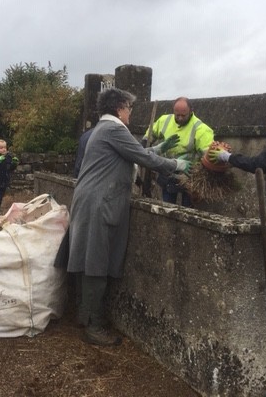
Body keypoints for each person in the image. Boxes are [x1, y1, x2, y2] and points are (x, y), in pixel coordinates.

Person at [65, 88, 190, 346]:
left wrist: (157, 147)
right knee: (95, 261)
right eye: (129, 108)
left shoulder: (104, 130)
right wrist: (176, 165)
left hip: (91, 200)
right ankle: (93, 325)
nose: (130, 113)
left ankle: (83, 313)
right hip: (100, 203)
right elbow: (142, 158)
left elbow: (133, 153)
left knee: (87, 256)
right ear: (120, 107)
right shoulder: (114, 130)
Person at [142, 97, 214, 206]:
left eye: (183, 115)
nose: (179, 118)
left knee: (188, 210)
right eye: (177, 115)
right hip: (167, 172)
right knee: (167, 208)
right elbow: (149, 135)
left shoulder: (201, 129)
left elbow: (208, 156)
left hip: (189, 175)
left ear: (191, 111)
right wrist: (145, 142)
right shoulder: (164, 120)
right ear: (173, 111)